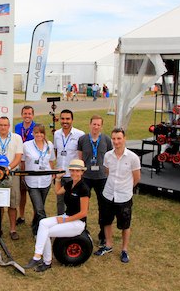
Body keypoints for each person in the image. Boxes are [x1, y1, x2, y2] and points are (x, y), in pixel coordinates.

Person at [24, 159, 90, 272]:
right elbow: (58, 191)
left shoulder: (84, 188)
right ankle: (38, 256)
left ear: (82, 172)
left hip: (77, 223)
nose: (74, 173)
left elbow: (83, 213)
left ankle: (44, 260)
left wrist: (65, 220)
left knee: (46, 232)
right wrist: (58, 178)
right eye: (72, 171)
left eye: (77, 171)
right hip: (66, 217)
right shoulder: (70, 184)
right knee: (43, 223)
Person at [94, 128, 141, 263]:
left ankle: (124, 250)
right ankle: (108, 245)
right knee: (106, 221)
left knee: (125, 225)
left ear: (124, 139)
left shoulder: (133, 158)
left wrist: (125, 188)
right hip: (108, 194)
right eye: (114, 139)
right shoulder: (108, 156)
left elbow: (136, 178)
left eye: (119, 138)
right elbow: (107, 172)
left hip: (124, 197)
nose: (116, 142)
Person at [77, 115, 113, 247]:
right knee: (83, 206)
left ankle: (103, 235)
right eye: (94, 124)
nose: (96, 127)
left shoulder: (106, 140)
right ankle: (82, 230)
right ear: (90, 124)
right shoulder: (82, 140)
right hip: (86, 178)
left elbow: (110, 158)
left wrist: (108, 174)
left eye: (98, 125)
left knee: (103, 207)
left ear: (101, 126)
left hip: (102, 178)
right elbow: (80, 159)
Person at [0, 117, 23, 240]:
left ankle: (13, 229)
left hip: (12, 174)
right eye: (1, 125)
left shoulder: (16, 138)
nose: (3, 127)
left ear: (9, 126)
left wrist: (7, 169)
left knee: (12, 204)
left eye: (5, 125)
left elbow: (18, 157)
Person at [22, 124, 56, 236]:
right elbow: (23, 162)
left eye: (41, 132)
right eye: (36, 132)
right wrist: (22, 176)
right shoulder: (26, 145)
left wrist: (52, 173)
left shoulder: (49, 145)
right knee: (40, 208)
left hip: (45, 181)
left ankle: (35, 226)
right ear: (33, 133)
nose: (39, 135)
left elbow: (51, 161)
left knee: (39, 207)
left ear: (44, 134)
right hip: (32, 181)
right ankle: (43, 233)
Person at [53, 109, 84, 215]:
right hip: (60, 174)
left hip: (73, 175)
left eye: (67, 119)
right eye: (62, 118)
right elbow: (56, 151)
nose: (65, 121)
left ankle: (73, 224)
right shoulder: (56, 134)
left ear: (72, 120)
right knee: (60, 202)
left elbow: (81, 155)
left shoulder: (80, 135)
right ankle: (60, 223)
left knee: (74, 202)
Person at [14, 105, 36, 225]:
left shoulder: (36, 127)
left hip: (31, 162)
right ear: (22, 114)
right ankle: (21, 216)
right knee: (22, 191)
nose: (27, 116)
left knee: (33, 191)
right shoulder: (17, 127)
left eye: (29, 114)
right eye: (25, 113)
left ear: (33, 115)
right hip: (20, 161)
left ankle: (35, 216)